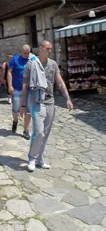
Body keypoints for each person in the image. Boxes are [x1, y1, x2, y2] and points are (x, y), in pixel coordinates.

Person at [21, 40, 73, 172]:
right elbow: (25, 85)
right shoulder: (31, 64)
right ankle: (32, 158)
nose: (50, 51)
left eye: (51, 49)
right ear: (40, 48)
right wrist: (22, 104)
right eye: (47, 48)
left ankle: (39, 159)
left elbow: (60, 82)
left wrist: (68, 98)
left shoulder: (53, 64)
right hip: (36, 101)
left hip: (50, 101)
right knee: (38, 132)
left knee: (45, 133)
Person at [7, 45, 33, 137]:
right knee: (16, 110)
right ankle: (15, 120)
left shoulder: (31, 60)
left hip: (29, 89)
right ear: (21, 51)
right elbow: (9, 72)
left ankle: (26, 130)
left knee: (29, 110)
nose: (26, 55)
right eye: (25, 53)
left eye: (28, 53)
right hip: (17, 89)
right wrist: (10, 86)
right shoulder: (15, 59)